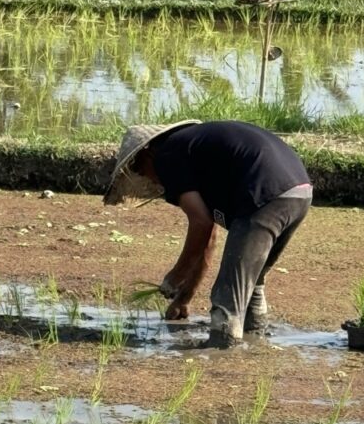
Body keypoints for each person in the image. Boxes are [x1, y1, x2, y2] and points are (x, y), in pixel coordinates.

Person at [104, 120, 312, 348]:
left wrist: (174, 277)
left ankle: (223, 352)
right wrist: (184, 298)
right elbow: (209, 237)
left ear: (147, 154)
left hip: (264, 194)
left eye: (138, 169)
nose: (147, 178)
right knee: (252, 282)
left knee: (228, 296)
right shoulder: (191, 149)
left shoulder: (167, 155)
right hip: (299, 191)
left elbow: (200, 224)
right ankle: (255, 342)